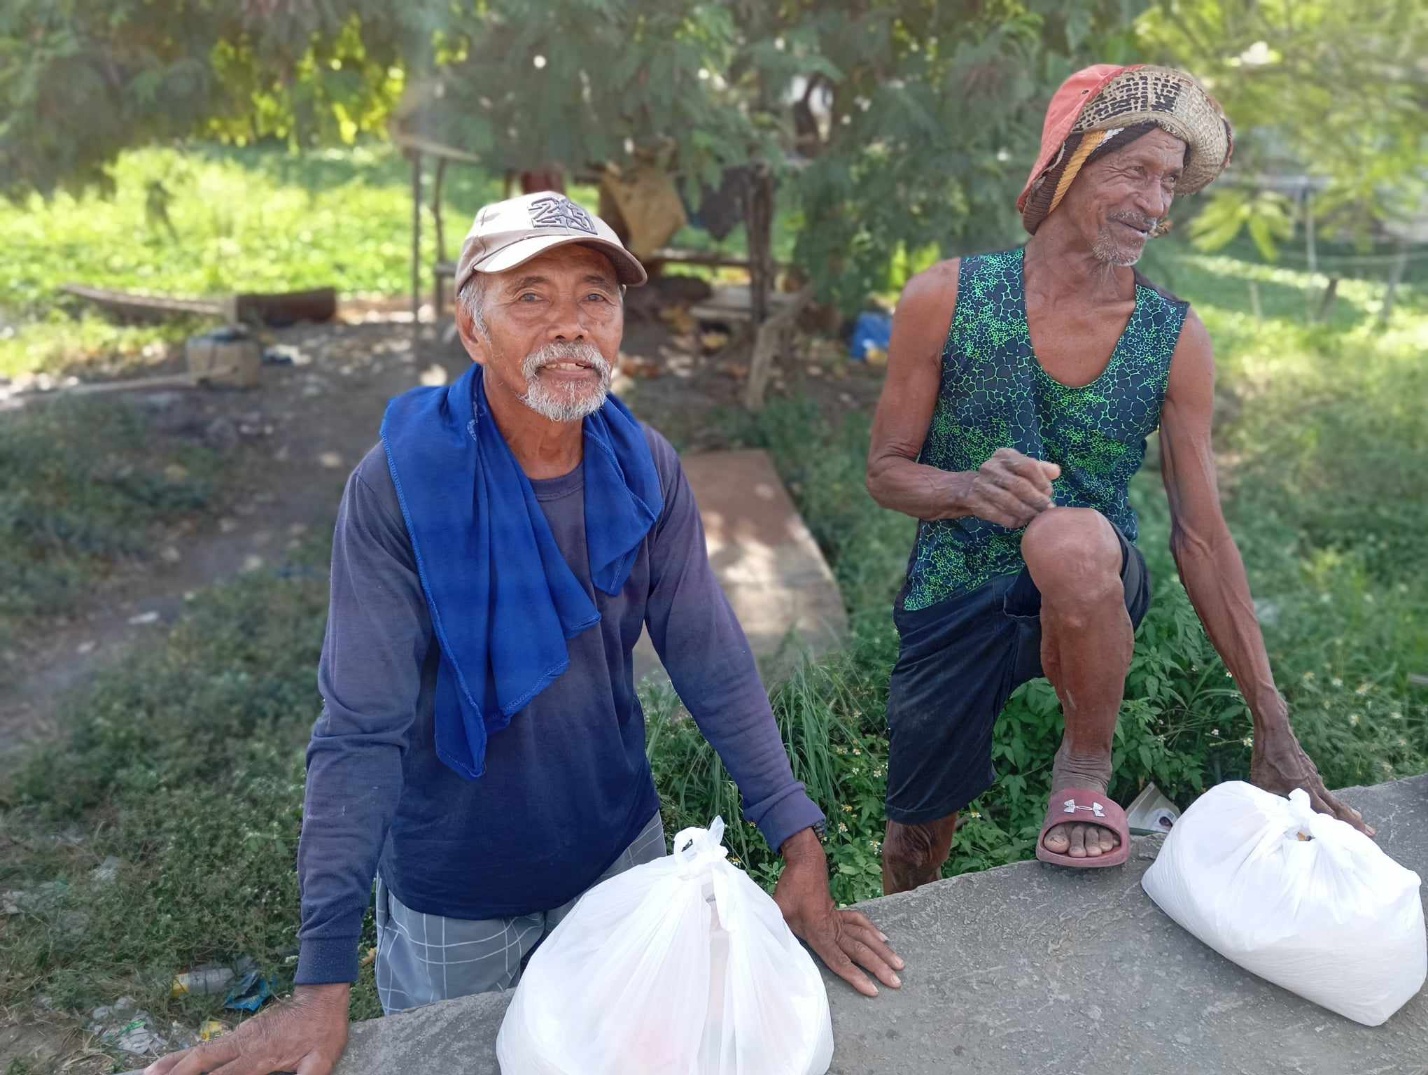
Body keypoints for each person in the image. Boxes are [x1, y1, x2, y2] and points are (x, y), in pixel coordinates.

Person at [147, 192, 902, 1075]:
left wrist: (799, 842)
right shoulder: (399, 488)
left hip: (617, 858)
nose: (571, 325)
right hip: (458, 892)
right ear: (473, 329)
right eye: (531, 296)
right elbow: (359, 729)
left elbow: (712, 657)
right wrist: (320, 984)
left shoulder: (644, 468)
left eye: (595, 297)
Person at [866, 64, 1373, 894]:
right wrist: (964, 489)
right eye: (1135, 171)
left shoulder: (1172, 337)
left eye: (1169, 181)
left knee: (1070, 537)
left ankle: (1084, 769)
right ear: (1068, 164)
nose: (1155, 203)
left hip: (1095, 580)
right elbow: (886, 471)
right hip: (956, 580)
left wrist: (1272, 718)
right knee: (912, 847)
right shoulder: (945, 298)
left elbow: (1202, 537)